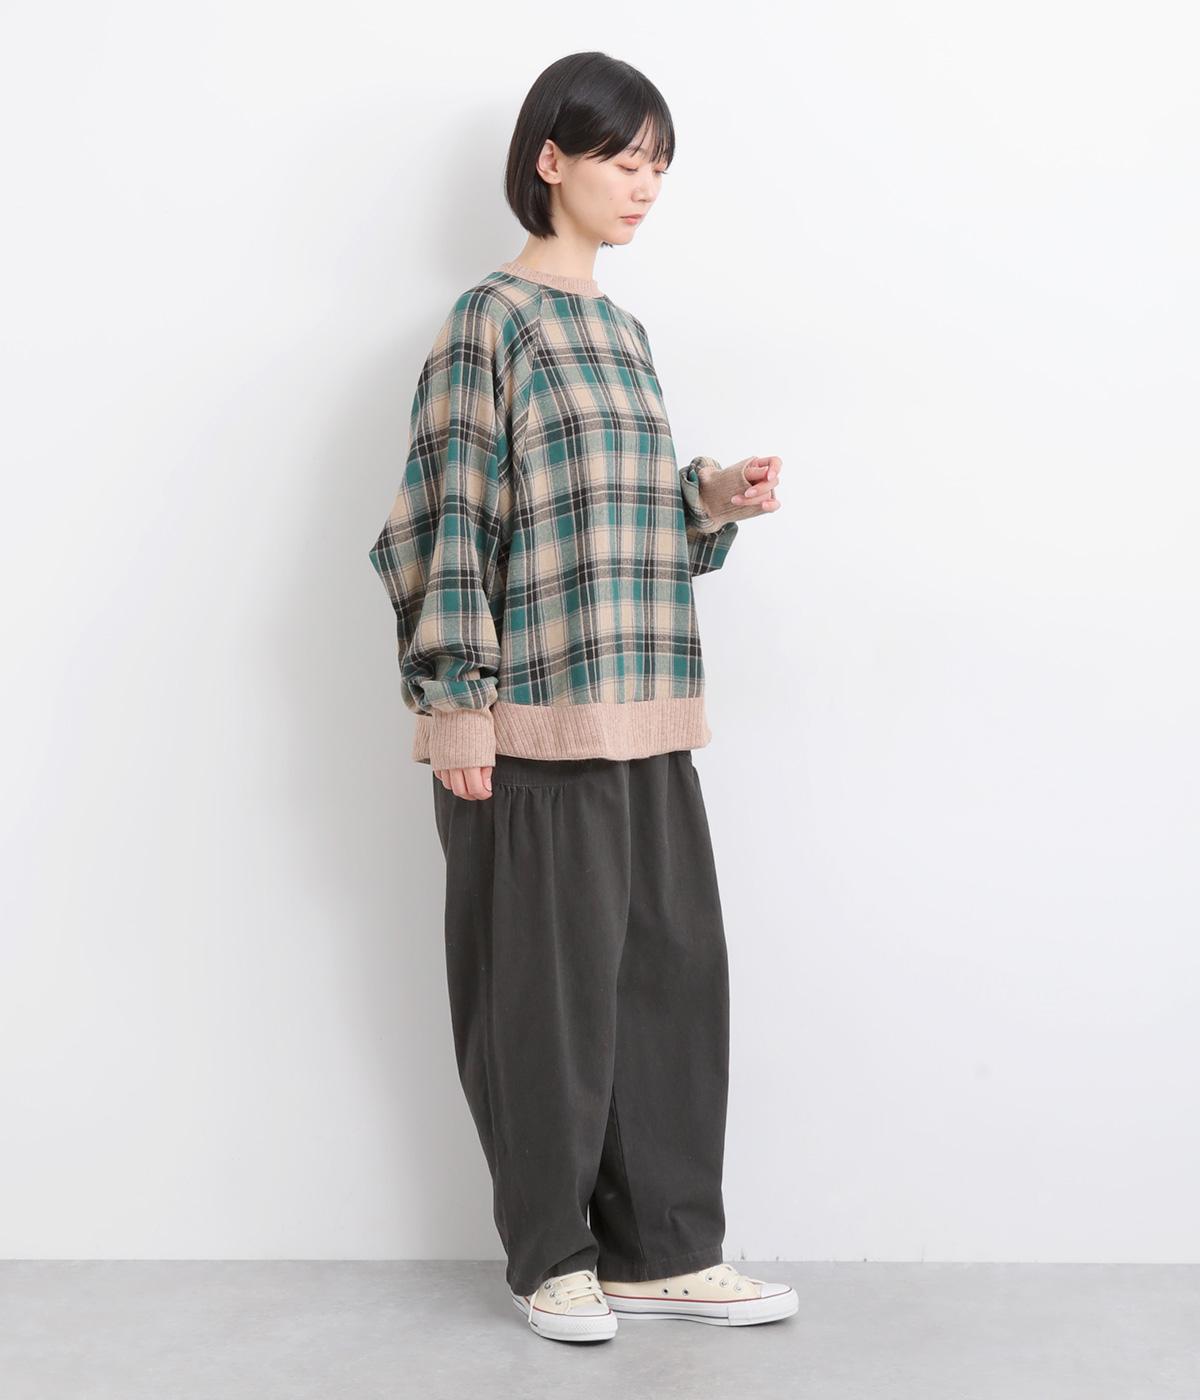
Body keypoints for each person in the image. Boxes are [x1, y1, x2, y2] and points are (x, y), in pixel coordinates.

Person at [368, 50, 794, 1344]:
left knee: (669, 987)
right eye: (623, 157)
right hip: (532, 728)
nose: (645, 184)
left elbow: (611, 516)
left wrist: (706, 500)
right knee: (541, 1006)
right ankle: (553, 1256)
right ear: (550, 160)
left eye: (659, 163)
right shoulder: (487, 321)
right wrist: (456, 706)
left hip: (647, 708)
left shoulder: (623, 333)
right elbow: (449, 520)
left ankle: (663, 1252)